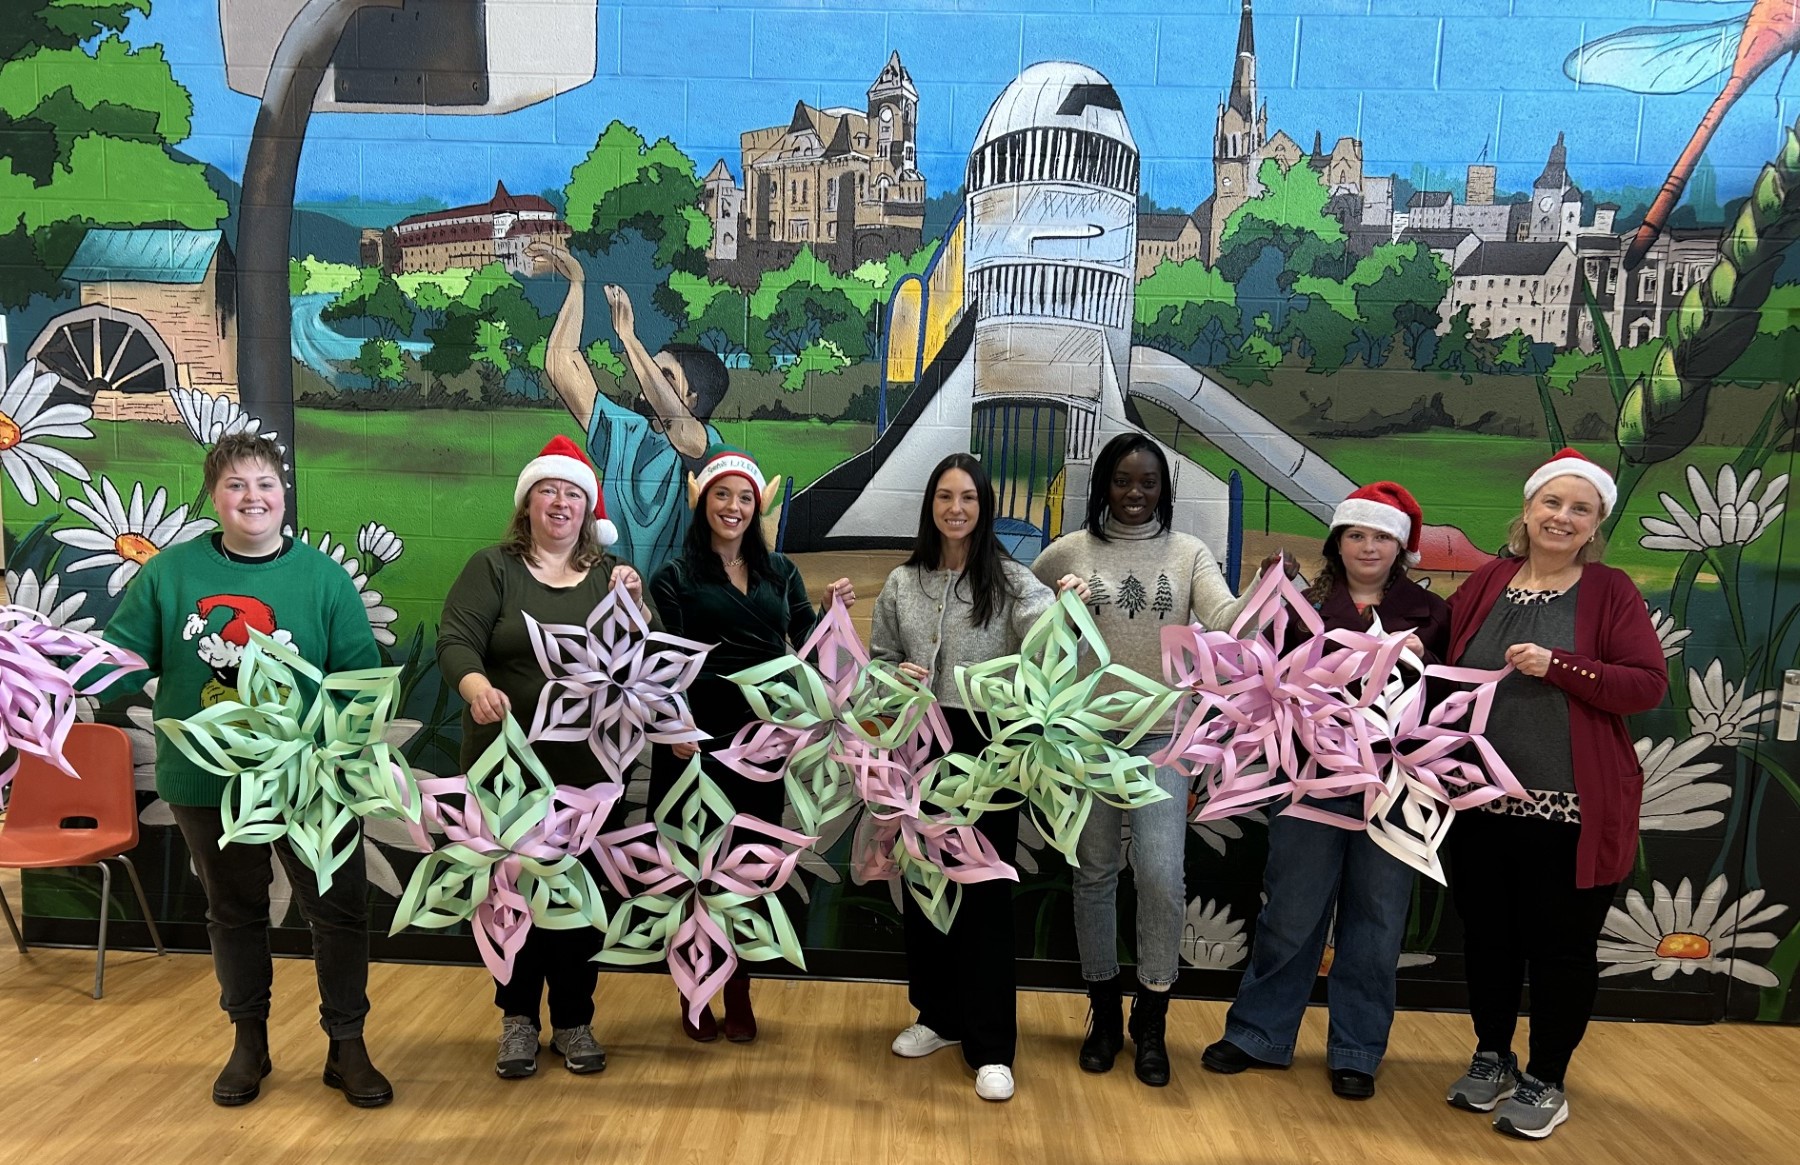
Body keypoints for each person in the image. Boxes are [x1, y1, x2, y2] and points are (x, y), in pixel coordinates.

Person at [102, 430, 392, 1108]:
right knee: (234, 912)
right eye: (235, 485)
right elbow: (119, 661)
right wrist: (49, 674)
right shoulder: (169, 574)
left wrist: (331, 749)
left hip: (310, 782)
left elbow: (358, 678)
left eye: (264, 483)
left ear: (283, 494)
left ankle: (346, 1043)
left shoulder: (322, 578)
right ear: (214, 496)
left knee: (340, 910)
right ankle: (249, 1042)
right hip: (207, 783)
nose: (252, 497)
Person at [1030, 433, 1272, 1087]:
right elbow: (1023, 621)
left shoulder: (1188, 552)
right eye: (1122, 481)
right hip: (1086, 737)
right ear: (1102, 486)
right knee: (1094, 873)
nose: (1134, 493)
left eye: (1147, 482)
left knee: (1161, 874)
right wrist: (1058, 609)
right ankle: (1104, 1014)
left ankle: (1153, 1018)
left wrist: (1265, 586)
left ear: (1163, 489)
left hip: (1164, 736)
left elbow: (1227, 621)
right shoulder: (1068, 552)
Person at [1440, 449, 1664, 1140]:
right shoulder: (1489, 580)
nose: (1562, 517)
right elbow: (1437, 654)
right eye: (1552, 502)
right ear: (1529, 509)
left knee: (1561, 949)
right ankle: (1492, 1054)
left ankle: (1546, 1078)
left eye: (1580, 509)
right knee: (1488, 940)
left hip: (1569, 813)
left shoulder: (1610, 590)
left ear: (1596, 524)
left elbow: (1646, 685)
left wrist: (1559, 665)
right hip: (1480, 804)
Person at [1200, 482, 1450, 1101]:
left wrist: (1419, 661)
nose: (1369, 547)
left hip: (1396, 786)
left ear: (1402, 548)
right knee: (1291, 908)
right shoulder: (1304, 605)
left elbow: (1451, 702)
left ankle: (1357, 1049)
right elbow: (1261, 679)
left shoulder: (1431, 614)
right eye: (1356, 535)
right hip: (1309, 777)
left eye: (1383, 537)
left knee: (1378, 918)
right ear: (1337, 543)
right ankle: (1258, 1033)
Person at [871, 452, 1085, 1103]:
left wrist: (1067, 612)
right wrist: (895, 675)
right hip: (920, 743)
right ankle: (938, 1015)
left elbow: (1051, 649)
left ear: (983, 506)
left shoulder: (1013, 581)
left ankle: (991, 1045)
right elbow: (878, 662)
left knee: (985, 894)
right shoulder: (902, 582)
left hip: (991, 748)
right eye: (945, 496)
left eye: (967, 497)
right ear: (930, 505)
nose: (956, 508)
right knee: (926, 883)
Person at [437, 435, 653, 1080]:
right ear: (527, 503)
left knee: (579, 899)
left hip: (592, 773)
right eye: (547, 491)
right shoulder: (492, 568)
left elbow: (642, 660)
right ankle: (518, 1019)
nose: (560, 503)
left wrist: (637, 602)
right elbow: (456, 639)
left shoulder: (612, 575)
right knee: (513, 896)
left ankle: (575, 1019)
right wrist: (475, 687)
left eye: (572, 494)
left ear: (588, 510)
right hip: (506, 770)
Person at [648, 445, 854, 1044]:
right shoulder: (673, 577)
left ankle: (737, 989)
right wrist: (677, 726)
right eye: (722, 494)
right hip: (693, 745)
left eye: (744, 497)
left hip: (762, 746)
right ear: (703, 502)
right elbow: (662, 666)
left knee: (746, 869)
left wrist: (830, 613)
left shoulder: (780, 572)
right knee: (692, 871)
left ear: (757, 506)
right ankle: (694, 992)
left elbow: (809, 647)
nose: (733, 507)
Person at [531, 237, 730, 578]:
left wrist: (628, 337)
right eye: (651, 369)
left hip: (670, 603)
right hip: (612, 598)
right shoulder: (627, 431)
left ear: (692, 400)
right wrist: (576, 283)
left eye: (665, 376)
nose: (647, 380)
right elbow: (562, 365)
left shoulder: (706, 446)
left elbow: (677, 423)